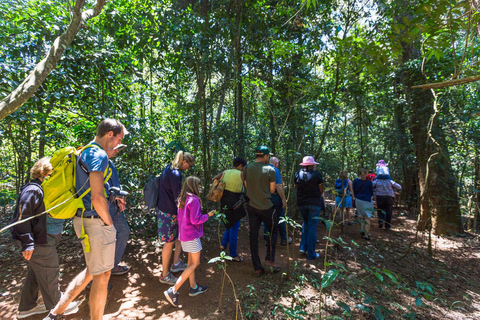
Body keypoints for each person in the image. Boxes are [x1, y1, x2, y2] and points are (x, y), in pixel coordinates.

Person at [45, 119, 127, 320]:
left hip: (83, 218)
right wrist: (109, 224)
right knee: (103, 275)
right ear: (109, 134)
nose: (119, 144)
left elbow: (91, 190)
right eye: (119, 139)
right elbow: (97, 197)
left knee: (93, 269)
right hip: (96, 221)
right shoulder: (99, 154)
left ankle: (55, 313)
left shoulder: (85, 151)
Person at [10, 158, 80, 319]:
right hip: (39, 241)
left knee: (37, 272)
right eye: (55, 173)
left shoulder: (45, 189)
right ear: (46, 173)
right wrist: (27, 242)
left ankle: (27, 307)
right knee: (50, 271)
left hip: (44, 239)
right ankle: (59, 306)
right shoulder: (34, 189)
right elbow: (23, 215)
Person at [164, 176, 215, 307]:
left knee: (190, 262)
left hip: (184, 235)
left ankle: (193, 287)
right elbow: (195, 220)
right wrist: (208, 215)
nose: (200, 188)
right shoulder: (194, 200)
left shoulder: (183, 198)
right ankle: (173, 290)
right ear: (194, 186)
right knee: (195, 263)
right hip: (191, 236)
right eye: (198, 185)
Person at [157, 150, 195, 285]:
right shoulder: (175, 174)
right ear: (184, 162)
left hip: (168, 210)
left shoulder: (169, 168)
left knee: (178, 236)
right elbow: (178, 198)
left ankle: (176, 262)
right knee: (169, 242)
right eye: (188, 165)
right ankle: (164, 275)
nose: (188, 168)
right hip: (168, 212)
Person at [244, 146, 279, 275]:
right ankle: (269, 261)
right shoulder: (271, 169)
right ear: (265, 156)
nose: (268, 157)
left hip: (252, 206)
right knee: (273, 231)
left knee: (253, 235)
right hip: (266, 207)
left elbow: (246, 186)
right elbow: (272, 190)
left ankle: (257, 266)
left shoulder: (247, 168)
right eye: (268, 155)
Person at [214, 157, 247, 262]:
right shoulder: (241, 174)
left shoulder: (225, 172)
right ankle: (233, 254)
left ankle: (223, 244)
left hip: (224, 200)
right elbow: (247, 187)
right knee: (234, 227)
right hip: (236, 202)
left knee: (229, 223)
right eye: (243, 167)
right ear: (240, 165)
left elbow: (214, 179)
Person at [294, 156, 324, 260]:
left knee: (306, 223)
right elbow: (321, 190)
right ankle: (311, 254)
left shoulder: (298, 174)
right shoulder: (317, 175)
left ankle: (303, 248)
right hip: (314, 203)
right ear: (312, 165)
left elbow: (297, 187)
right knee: (312, 226)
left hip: (302, 203)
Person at [107, 144, 130, 276]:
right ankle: (94, 279)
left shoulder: (110, 163)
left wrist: (120, 198)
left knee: (123, 232)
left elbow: (115, 184)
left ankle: (113, 266)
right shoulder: (96, 161)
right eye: (115, 147)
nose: (117, 151)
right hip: (102, 209)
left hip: (115, 207)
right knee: (102, 240)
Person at [264, 156, 291, 246]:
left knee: (267, 217)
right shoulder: (275, 170)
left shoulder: (262, 169)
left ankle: (267, 238)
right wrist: (283, 199)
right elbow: (278, 186)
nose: (278, 165)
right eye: (278, 163)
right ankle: (283, 238)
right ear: (275, 163)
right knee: (280, 217)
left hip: (264, 197)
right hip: (274, 197)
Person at [353, 168, 374, 240]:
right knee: (367, 217)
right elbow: (371, 193)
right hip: (367, 200)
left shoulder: (355, 181)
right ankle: (366, 235)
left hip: (358, 200)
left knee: (361, 215)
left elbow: (354, 191)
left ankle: (362, 229)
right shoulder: (369, 182)